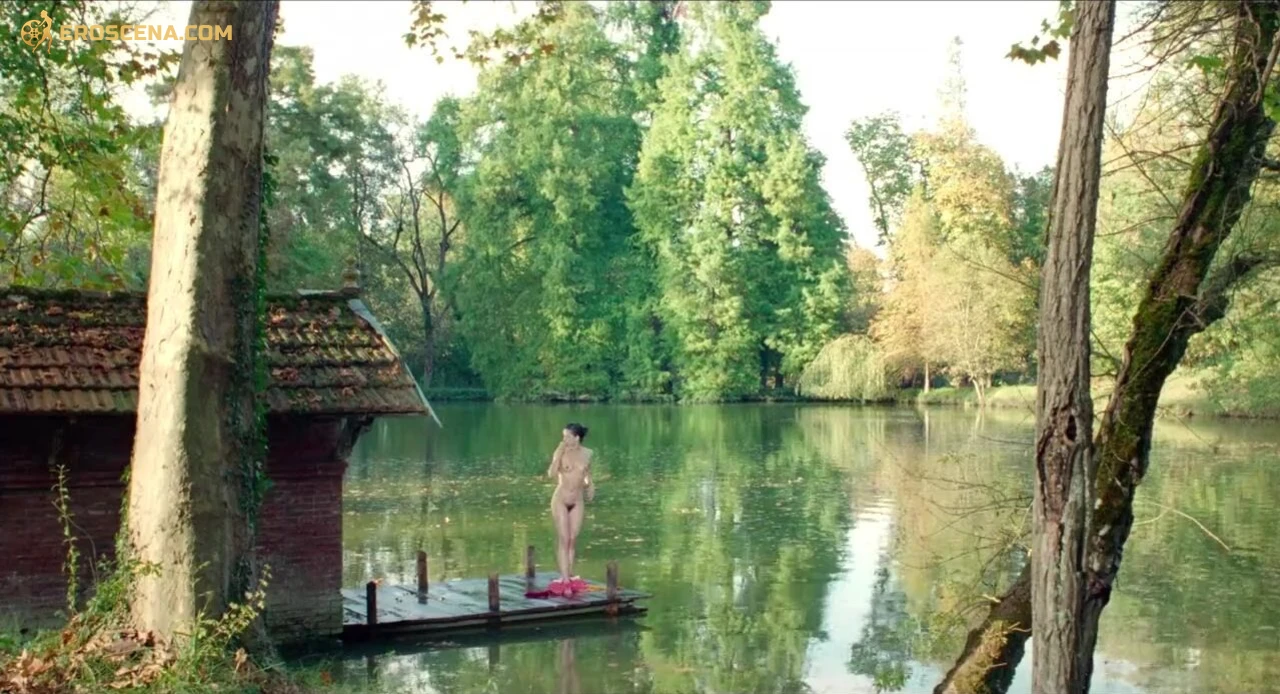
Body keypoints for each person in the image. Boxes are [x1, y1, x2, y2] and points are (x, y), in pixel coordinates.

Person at [547, 422, 593, 592]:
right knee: (564, 538)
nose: (564, 439)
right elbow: (551, 473)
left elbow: (586, 473)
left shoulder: (587, 453)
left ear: (577, 438)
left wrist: (591, 485)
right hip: (561, 499)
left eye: (567, 436)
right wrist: (558, 455)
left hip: (577, 500)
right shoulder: (560, 451)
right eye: (563, 436)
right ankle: (565, 580)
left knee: (573, 538)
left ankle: (569, 573)